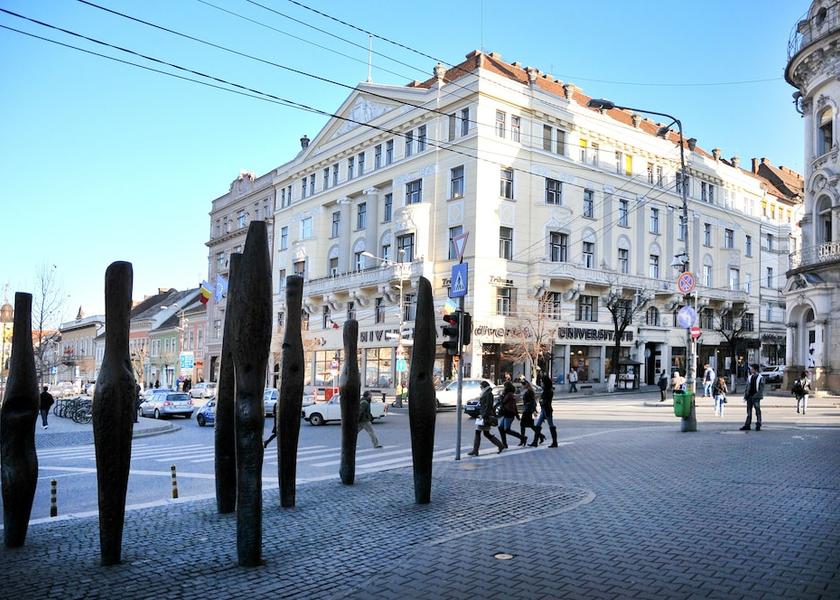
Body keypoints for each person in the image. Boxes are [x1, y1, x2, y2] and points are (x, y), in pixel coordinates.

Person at [468, 381, 504, 456]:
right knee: (486, 433)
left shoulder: (488, 394)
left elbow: (488, 406)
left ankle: (475, 450)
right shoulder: (485, 393)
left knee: (478, 432)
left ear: (484, 386)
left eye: (481, 386)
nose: (480, 388)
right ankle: (500, 445)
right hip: (484, 415)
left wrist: (483, 415)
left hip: (485, 416)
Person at [530, 373, 558, 448]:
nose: (541, 383)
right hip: (544, 409)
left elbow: (546, 401)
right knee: (538, 425)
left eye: (542, 381)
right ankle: (535, 442)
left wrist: (541, 401)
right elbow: (542, 400)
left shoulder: (548, 391)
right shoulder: (545, 390)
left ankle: (555, 442)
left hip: (547, 409)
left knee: (551, 425)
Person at [497, 381, 526, 448]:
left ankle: (522, 438)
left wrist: (501, 397)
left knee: (507, 430)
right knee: (501, 428)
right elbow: (514, 405)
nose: (503, 388)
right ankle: (504, 444)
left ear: (507, 387)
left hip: (509, 414)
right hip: (507, 413)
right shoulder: (508, 394)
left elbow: (504, 402)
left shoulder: (509, 395)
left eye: (504, 387)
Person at [740, 364, 764, 431]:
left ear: (755, 369)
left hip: (756, 397)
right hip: (749, 397)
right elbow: (747, 387)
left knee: (757, 411)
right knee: (749, 412)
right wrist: (745, 396)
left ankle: (758, 424)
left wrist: (756, 396)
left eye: (752, 369)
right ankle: (747, 425)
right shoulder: (750, 377)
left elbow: (761, 389)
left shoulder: (760, 377)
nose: (751, 370)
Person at [519, 378, 542, 446]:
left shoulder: (529, 391)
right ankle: (541, 436)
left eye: (523, 385)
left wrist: (534, 411)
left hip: (528, 410)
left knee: (523, 424)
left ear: (525, 385)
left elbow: (532, 402)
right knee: (530, 425)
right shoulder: (527, 391)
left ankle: (522, 440)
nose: (522, 386)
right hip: (527, 409)